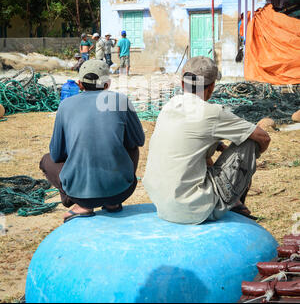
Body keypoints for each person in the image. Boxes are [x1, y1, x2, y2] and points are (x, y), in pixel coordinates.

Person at [143, 56, 271, 225]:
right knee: (249, 141)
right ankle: (235, 202)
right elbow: (263, 137)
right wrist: (248, 161)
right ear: (211, 87)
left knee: (200, 147)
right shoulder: (213, 112)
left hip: (161, 203)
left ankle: (231, 199)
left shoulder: (169, 106)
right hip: (193, 209)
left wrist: (218, 146)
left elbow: (192, 139)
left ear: (183, 84)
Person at [39, 59, 145, 223]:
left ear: (80, 84)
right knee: (132, 148)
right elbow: (138, 140)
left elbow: (56, 154)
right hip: (121, 191)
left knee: (46, 160)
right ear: (107, 85)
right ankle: (113, 203)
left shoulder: (65, 105)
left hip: (79, 192)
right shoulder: (122, 101)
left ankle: (82, 205)